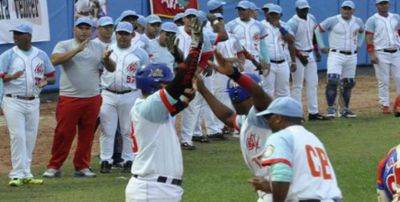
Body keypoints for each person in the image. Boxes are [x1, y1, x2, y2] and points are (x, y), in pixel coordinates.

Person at [125, 16, 203, 202]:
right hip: (151, 190)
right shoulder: (149, 108)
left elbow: (183, 97)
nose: (168, 86)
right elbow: (181, 82)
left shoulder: (153, 110)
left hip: (159, 189)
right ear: (156, 86)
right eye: (165, 83)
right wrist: (195, 48)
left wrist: (179, 59)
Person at [196, 50, 274, 201]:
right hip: (268, 187)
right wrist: (204, 90)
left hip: (280, 186)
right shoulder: (247, 119)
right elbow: (228, 117)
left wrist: (235, 75)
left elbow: (260, 97)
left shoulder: (267, 115)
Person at [43, 17, 115, 178]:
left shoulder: (99, 46)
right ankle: (54, 166)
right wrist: (77, 50)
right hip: (70, 97)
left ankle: (82, 166)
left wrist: (106, 59)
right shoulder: (64, 44)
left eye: (87, 28)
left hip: (92, 97)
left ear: (92, 30)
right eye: (80, 28)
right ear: (74, 30)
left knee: (87, 134)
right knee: (63, 133)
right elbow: (54, 60)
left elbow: (111, 68)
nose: (84, 31)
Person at [249, 96, 342, 201]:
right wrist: (270, 187)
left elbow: (282, 175)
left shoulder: (281, 136)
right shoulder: (313, 139)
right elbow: (309, 181)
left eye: (269, 117)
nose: (268, 122)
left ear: (278, 118)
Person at [0, 24, 56, 186]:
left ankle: (27, 173)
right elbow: (0, 75)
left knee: (30, 137)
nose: (15, 37)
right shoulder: (8, 55)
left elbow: (51, 76)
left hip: (34, 101)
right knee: (18, 136)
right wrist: (10, 77)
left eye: (19, 34)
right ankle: (16, 174)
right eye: (15, 34)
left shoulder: (41, 55)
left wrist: (45, 81)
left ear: (29, 36)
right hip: (13, 100)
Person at [99, 22, 149, 174]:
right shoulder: (107, 49)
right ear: (115, 34)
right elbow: (98, 70)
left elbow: (146, 75)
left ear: (132, 35)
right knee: (107, 130)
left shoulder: (140, 53)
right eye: (120, 33)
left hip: (130, 94)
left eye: (126, 33)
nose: (123, 36)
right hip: (108, 93)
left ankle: (129, 159)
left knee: (128, 129)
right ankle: (106, 160)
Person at [178, 9, 228, 149]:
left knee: (191, 106)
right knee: (168, 106)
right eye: (188, 18)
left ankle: (186, 140)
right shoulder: (176, 32)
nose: (190, 20)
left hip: (191, 74)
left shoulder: (203, 35)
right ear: (184, 19)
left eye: (194, 18)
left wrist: (198, 70)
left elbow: (206, 54)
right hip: (175, 73)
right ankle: (167, 140)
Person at [315, 0, 365, 118]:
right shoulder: (333, 20)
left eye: (349, 9)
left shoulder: (358, 21)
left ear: (353, 10)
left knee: (348, 83)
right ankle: (331, 109)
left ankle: (344, 110)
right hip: (336, 54)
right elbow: (318, 30)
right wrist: (322, 46)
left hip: (352, 55)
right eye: (344, 8)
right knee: (333, 81)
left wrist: (359, 44)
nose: (346, 11)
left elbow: (362, 32)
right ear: (341, 9)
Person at [286, 0, 328, 121]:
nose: (305, 11)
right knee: (297, 85)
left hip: (310, 54)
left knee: (313, 83)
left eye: (306, 9)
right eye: (302, 9)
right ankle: (296, 114)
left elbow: (313, 35)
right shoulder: (292, 23)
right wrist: (299, 56)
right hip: (298, 55)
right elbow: (290, 42)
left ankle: (313, 113)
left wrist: (316, 51)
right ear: (297, 10)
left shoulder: (311, 18)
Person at [365, 0, 400, 114]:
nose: (384, 5)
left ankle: (398, 104)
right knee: (383, 80)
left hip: (396, 52)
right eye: (381, 3)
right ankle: (384, 105)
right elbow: (369, 37)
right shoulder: (372, 20)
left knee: (399, 78)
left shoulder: (396, 17)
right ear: (376, 6)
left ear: (389, 4)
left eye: (385, 3)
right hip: (381, 53)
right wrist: (372, 53)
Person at [226, 0, 270, 74]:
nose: (240, 12)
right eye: (239, 9)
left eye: (243, 9)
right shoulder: (231, 25)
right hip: (239, 59)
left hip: (255, 60)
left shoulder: (259, 25)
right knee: (238, 84)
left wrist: (266, 60)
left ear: (250, 11)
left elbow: (263, 45)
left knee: (255, 84)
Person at [262, 4, 296, 98]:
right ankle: (268, 113)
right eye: (271, 14)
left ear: (280, 15)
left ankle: (283, 112)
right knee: (268, 91)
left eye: (275, 14)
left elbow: (291, 40)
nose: (272, 16)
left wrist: (280, 27)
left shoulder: (285, 26)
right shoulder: (261, 26)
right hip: (268, 63)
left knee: (284, 91)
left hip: (283, 63)